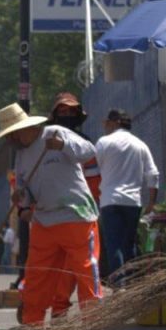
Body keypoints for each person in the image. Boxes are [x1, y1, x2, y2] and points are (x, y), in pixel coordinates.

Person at [0, 103, 101, 328]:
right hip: (44, 220)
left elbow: (89, 151)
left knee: (85, 271)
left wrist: (63, 145)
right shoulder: (21, 155)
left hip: (76, 215)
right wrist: (21, 198)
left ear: (25, 128)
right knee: (37, 275)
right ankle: (32, 324)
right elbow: (24, 189)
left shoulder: (55, 133)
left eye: (12, 134)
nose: (10, 140)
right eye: (8, 136)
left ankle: (92, 323)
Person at [48, 92, 101, 316]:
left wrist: (91, 207)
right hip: (51, 215)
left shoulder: (85, 145)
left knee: (83, 267)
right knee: (57, 268)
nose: (66, 114)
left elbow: (94, 180)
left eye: (71, 111)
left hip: (80, 215)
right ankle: (58, 311)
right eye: (62, 111)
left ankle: (90, 317)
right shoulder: (43, 143)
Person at [96, 109, 159, 278]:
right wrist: (152, 202)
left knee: (114, 245)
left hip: (110, 201)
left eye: (107, 123)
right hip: (133, 202)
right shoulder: (140, 145)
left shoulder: (104, 142)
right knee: (129, 244)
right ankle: (132, 283)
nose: (106, 126)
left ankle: (119, 284)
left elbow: (95, 169)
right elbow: (153, 174)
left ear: (114, 122)